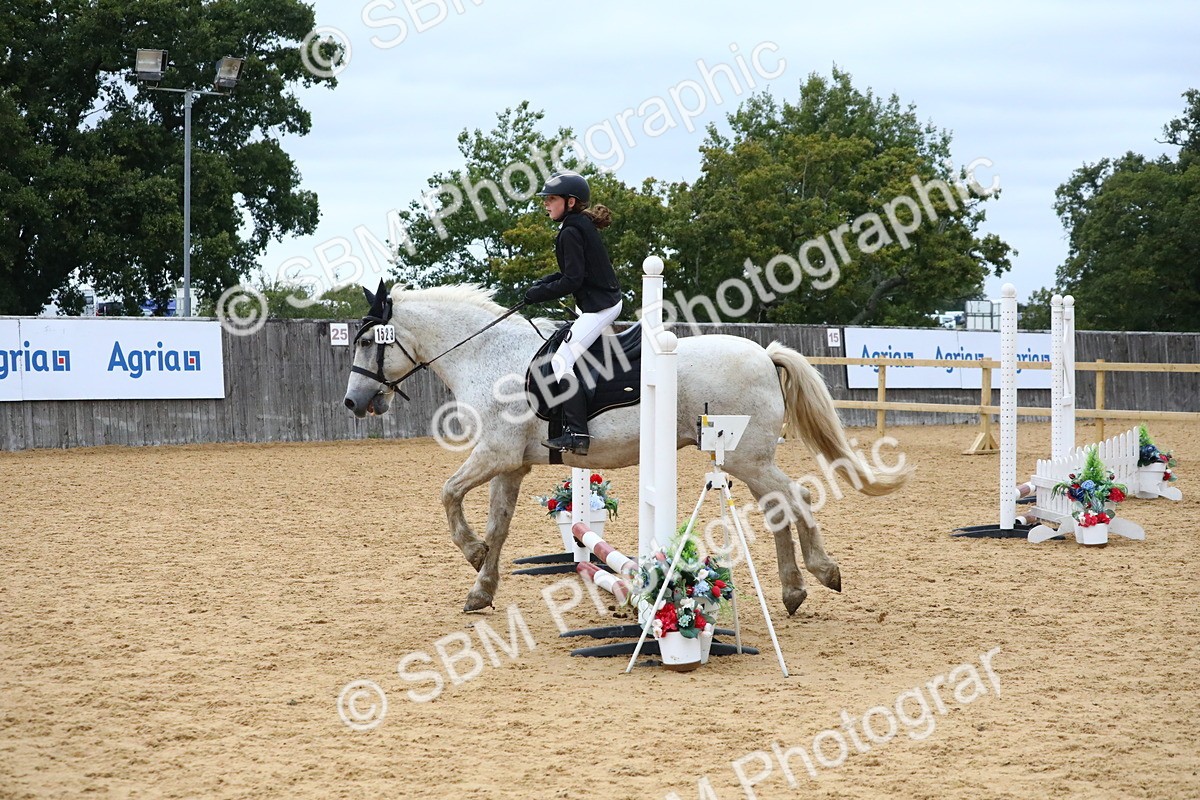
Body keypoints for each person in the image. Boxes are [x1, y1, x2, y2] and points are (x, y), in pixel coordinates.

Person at [523, 170, 622, 457]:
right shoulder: (576, 225)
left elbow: (572, 281)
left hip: (600, 306)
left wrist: (538, 294)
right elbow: (570, 272)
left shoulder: (570, 230)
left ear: (569, 202)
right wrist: (541, 284)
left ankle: (578, 434)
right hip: (597, 300)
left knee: (560, 361)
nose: (546, 204)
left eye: (551, 199)